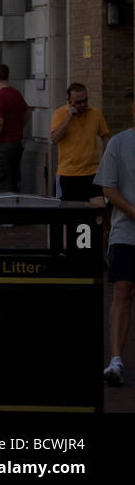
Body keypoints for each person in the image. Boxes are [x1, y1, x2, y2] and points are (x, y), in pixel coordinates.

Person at [96, 95, 135, 386]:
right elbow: (108, 188)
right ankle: (116, 359)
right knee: (122, 290)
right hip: (126, 230)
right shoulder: (119, 144)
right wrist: (133, 211)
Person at [51, 83, 111, 203]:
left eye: (85, 100)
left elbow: (105, 135)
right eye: (78, 102)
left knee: (100, 210)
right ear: (69, 101)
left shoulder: (95, 114)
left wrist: (107, 157)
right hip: (68, 174)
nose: (83, 104)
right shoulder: (60, 114)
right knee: (69, 214)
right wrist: (69, 118)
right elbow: (54, 139)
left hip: (93, 173)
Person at [0, 63, 28, 194]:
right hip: (16, 144)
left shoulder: (0, 96)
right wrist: (18, 126)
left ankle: (5, 212)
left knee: (3, 182)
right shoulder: (16, 93)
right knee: (14, 181)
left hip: (3, 146)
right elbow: (27, 113)